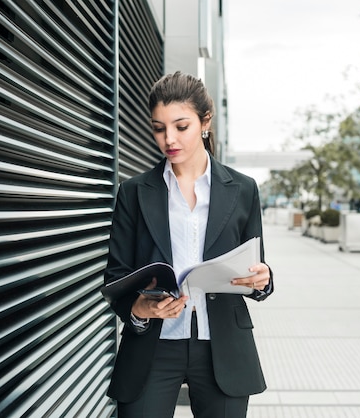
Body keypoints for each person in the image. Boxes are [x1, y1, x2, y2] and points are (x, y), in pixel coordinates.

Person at [102, 71, 274, 418]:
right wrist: (139, 309)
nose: (169, 139)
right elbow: (116, 277)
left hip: (223, 346)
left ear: (204, 121)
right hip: (152, 345)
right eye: (159, 128)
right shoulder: (134, 193)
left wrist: (262, 280)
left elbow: (256, 269)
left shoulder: (242, 189)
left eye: (181, 127)